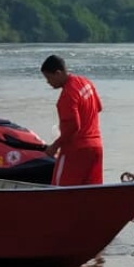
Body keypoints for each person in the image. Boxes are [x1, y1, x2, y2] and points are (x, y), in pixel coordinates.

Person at [40, 54, 104, 186]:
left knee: (60, 191)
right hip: (96, 148)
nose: (48, 82)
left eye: (48, 78)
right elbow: (98, 107)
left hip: (76, 151)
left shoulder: (67, 96)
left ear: (58, 73)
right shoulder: (86, 82)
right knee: (91, 193)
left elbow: (74, 126)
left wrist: (54, 146)